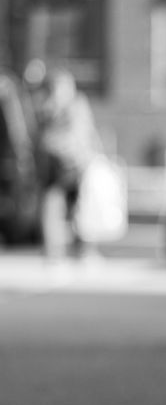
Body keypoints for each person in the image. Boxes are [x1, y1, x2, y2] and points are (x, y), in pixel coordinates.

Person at [33, 67, 101, 262]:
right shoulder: (72, 105)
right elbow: (85, 133)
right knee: (72, 205)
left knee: (61, 205)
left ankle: (59, 250)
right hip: (68, 162)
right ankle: (76, 250)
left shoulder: (45, 106)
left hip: (60, 162)